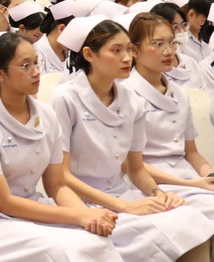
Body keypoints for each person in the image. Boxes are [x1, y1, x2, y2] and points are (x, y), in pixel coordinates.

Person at [52, 16, 214, 260]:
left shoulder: (130, 99)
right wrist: (126, 207)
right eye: (116, 50)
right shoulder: (66, 98)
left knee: (189, 219)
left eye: (128, 49)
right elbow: (62, 177)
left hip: (123, 192)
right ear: (89, 54)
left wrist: (159, 194)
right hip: (81, 199)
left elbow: (136, 169)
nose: (127, 58)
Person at [0, 32, 119, 261]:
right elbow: (4, 202)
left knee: (97, 241)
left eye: (36, 63)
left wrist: (87, 215)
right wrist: (77, 216)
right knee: (55, 250)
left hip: (31, 206)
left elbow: (57, 186)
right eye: (25, 66)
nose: (36, 71)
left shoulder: (47, 115)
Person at [125, 12, 214, 237]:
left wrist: (210, 175)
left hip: (188, 177)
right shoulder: (124, 95)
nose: (168, 51)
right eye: (158, 44)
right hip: (148, 182)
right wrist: (192, 184)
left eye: (171, 43)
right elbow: (129, 165)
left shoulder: (180, 94)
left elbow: (191, 152)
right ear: (134, 50)